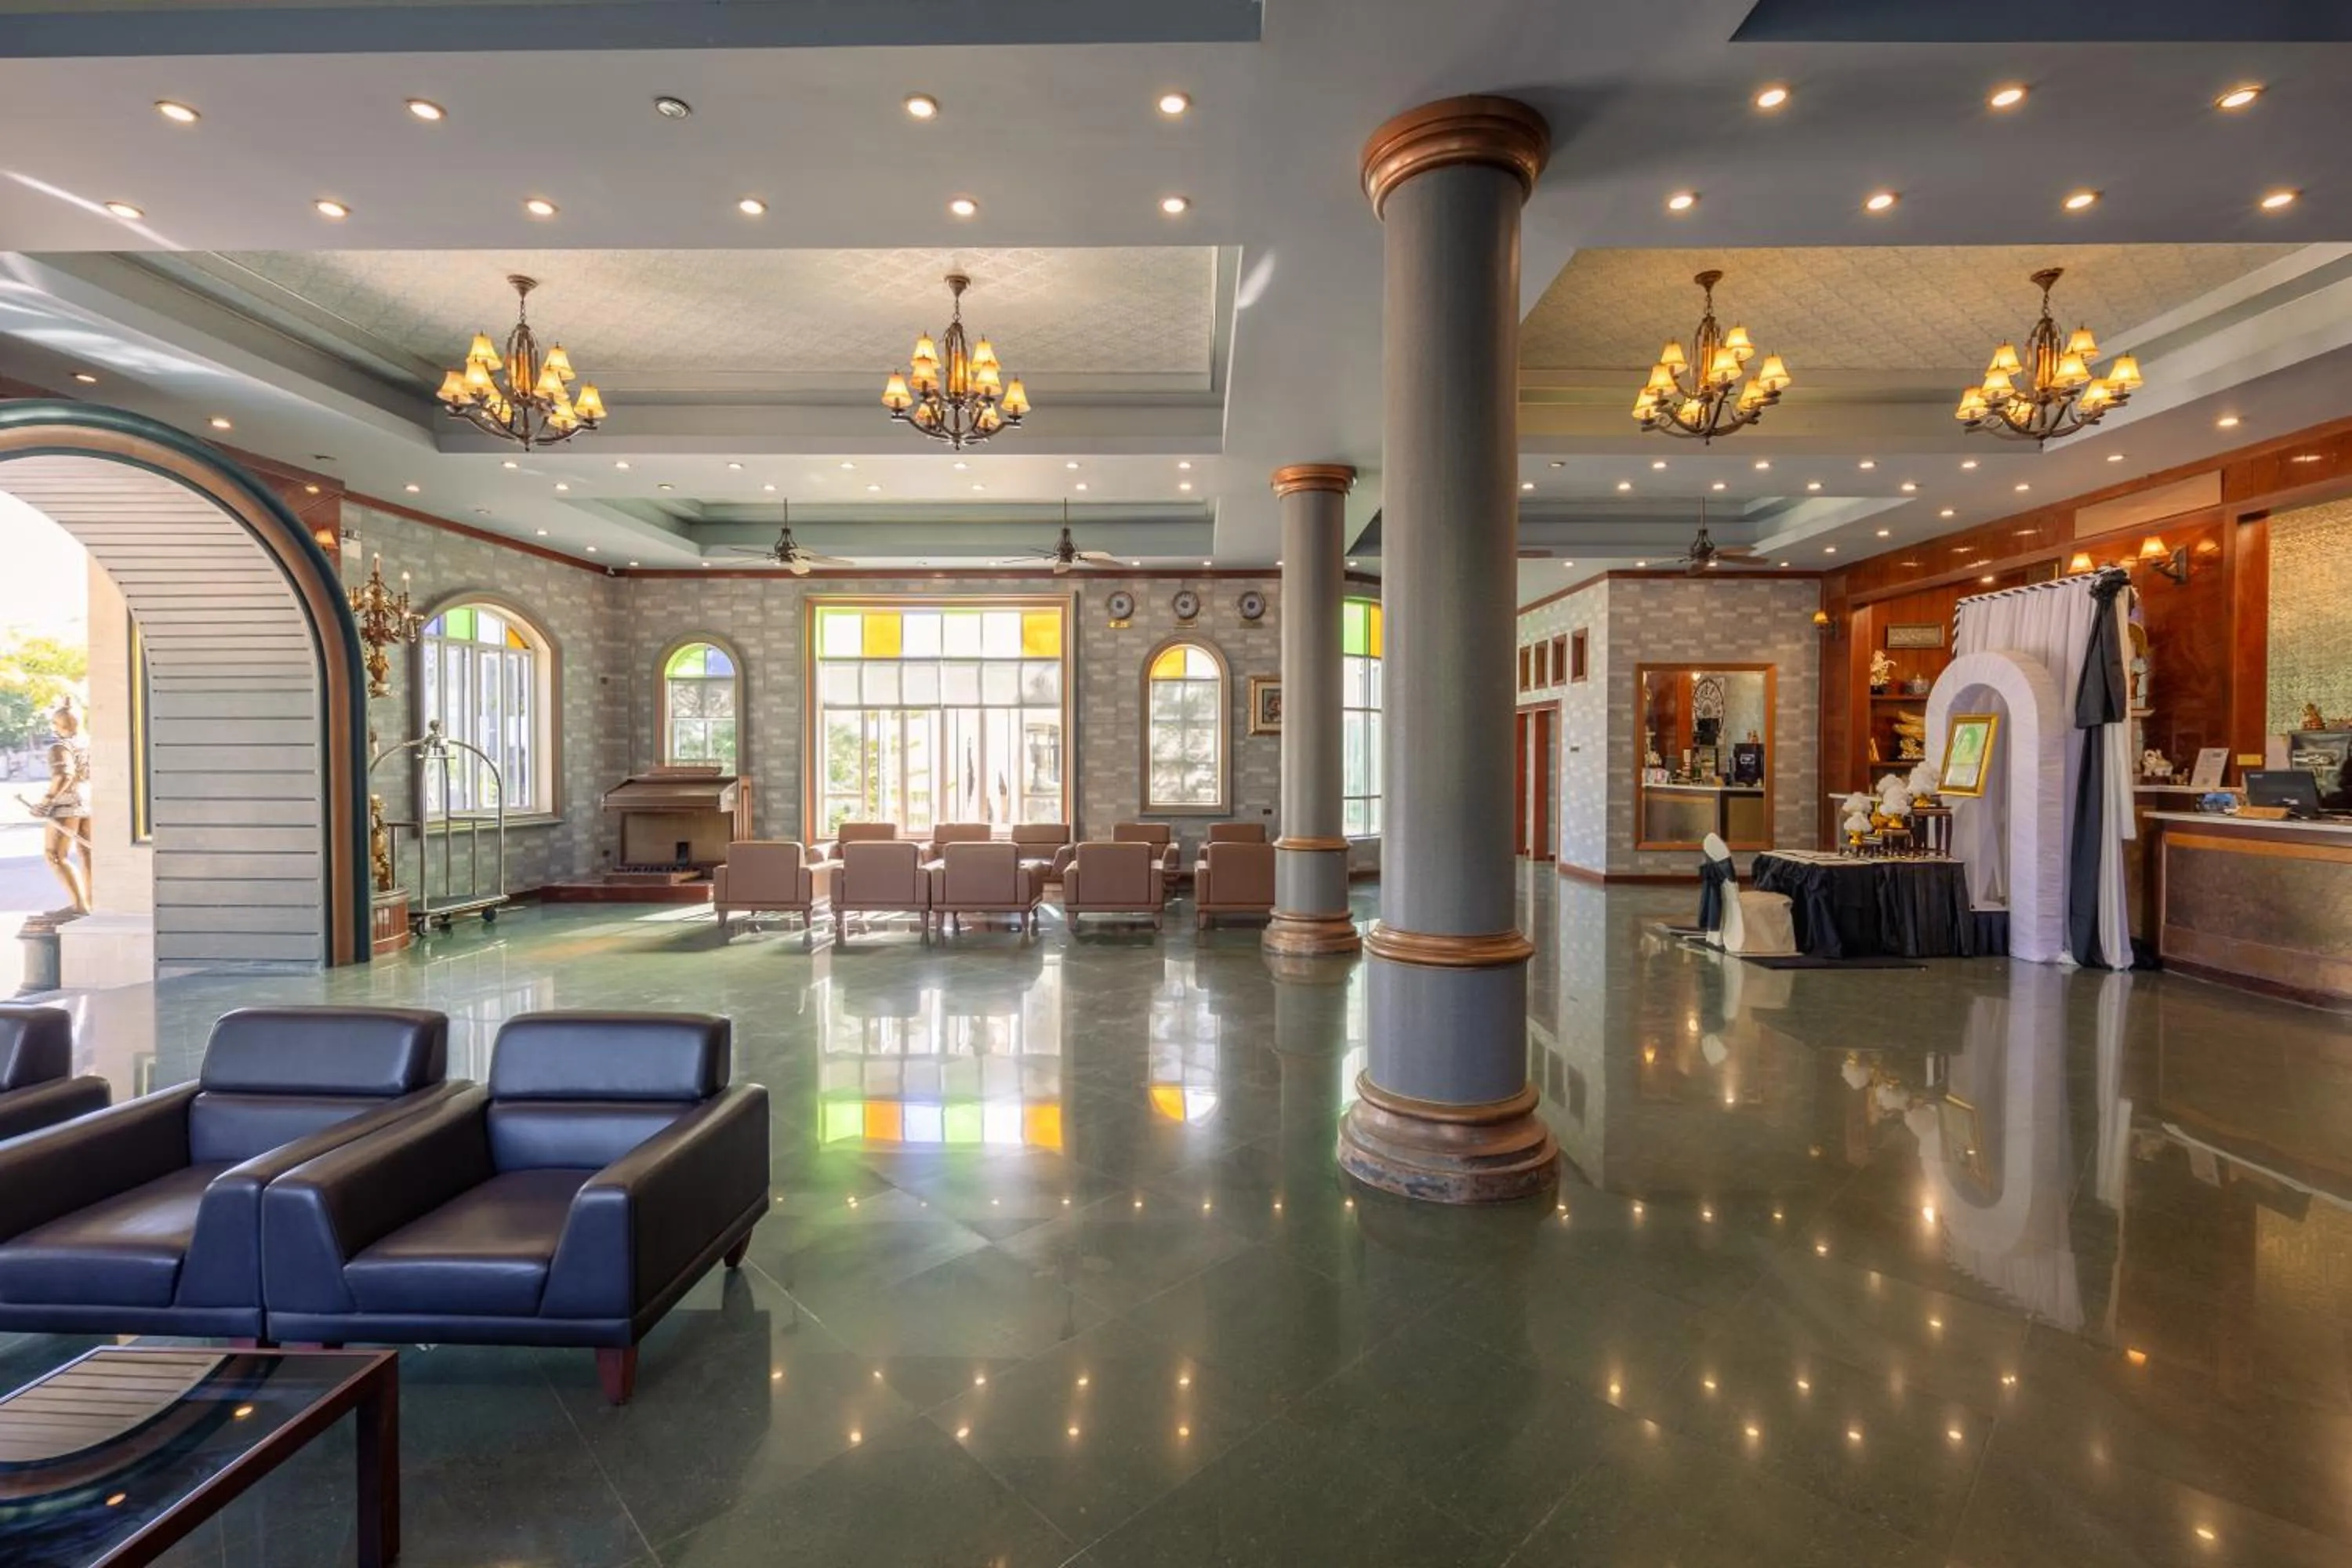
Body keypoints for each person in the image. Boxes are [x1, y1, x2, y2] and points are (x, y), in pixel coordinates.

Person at [32, 701, 93, 915]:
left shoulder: (61, 746)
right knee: (87, 852)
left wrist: (47, 801)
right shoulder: (89, 743)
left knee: (55, 855)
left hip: (67, 804)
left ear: (60, 724)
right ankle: (92, 903)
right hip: (89, 802)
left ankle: (80, 905)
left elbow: (63, 775)